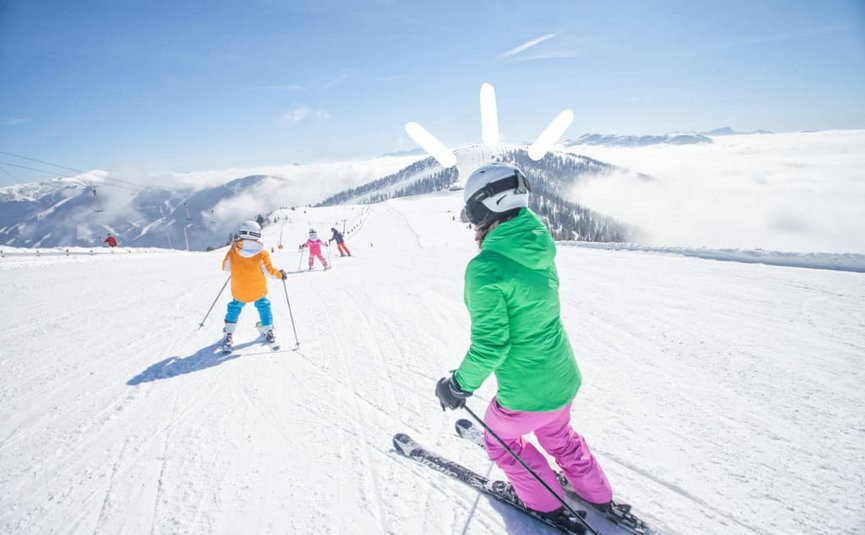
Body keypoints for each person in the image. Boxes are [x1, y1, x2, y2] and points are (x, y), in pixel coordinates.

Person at [435, 163, 613, 526]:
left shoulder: (486, 268)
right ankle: (599, 493)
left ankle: (545, 503)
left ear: (486, 208)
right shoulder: (538, 246)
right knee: (559, 436)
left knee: (500, 443)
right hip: (562, 378)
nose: (471, 221)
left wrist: (457, 386)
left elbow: (491, 347)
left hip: (525, 396)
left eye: (471, 211)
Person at [221, 220, 287, 349]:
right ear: (257, 234)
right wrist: (280, 274)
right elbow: (269, 272)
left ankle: (229, 333)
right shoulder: (262, 253)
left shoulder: (234, 251)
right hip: (258, 290)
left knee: (234, 307)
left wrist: (234, 258)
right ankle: (269, 330)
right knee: (264, 306)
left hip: (240, 290)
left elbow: (225, 267)